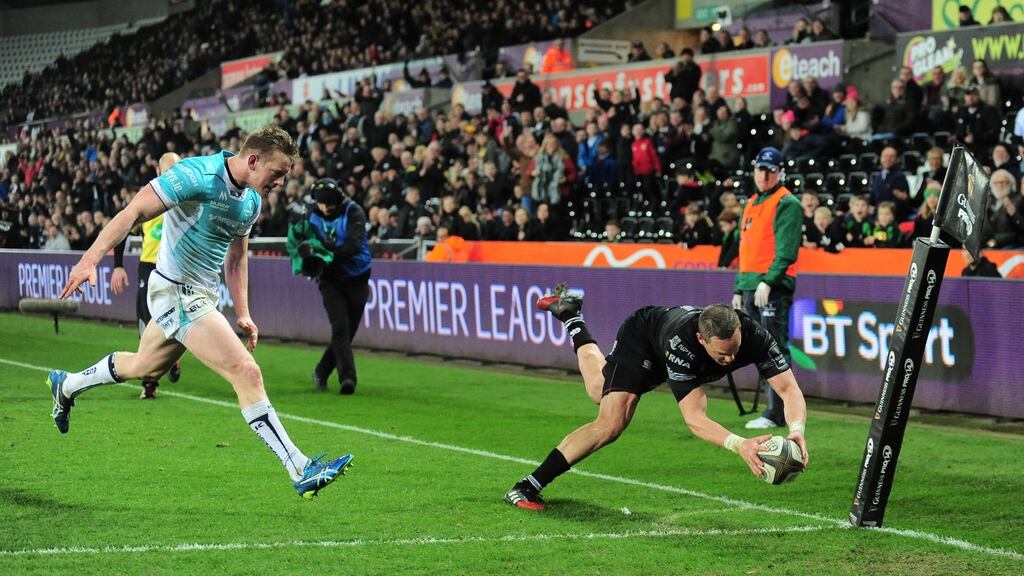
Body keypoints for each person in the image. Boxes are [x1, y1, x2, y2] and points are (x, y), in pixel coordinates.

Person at [48, 125, 354, 499]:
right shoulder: (197, 175)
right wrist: (89, 260)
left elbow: (237, 259)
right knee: (246, 371)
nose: (280, 183)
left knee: (146, 367)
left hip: (201, 294)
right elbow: (134, 212)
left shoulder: (251, 200)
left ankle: (66, 385)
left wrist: (243, 312)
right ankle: (301, 468)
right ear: (253, 160)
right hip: (174, 291)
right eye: (277, 173)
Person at [504, 291, 809, 510]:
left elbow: (788, 389)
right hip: (645, 337)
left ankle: (570, 313)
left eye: (735, 350)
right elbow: (695, 418)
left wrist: (797, 429)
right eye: (722, 354)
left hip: (667, 344)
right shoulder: (684, 344)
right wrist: (739, 444)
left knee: (598, 388)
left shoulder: (755, 336)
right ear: (702, 339)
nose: (730, 360)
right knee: (610, 421)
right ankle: (527, 486)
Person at [733, 147, 801, 430]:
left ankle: (777, 412)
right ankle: (772, 410)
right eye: (760, 169)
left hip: (771, 287)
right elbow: (745, 248)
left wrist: (769, 281)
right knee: (761, 350)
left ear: (780, 173)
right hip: (752, 285)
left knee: (774, 348)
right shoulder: (751, 202)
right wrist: (740, 287)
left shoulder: (787, 202)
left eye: (770, 170)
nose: (764, 175)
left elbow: (786, 251)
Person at [289, 178, 372, 395]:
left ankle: (321, 371)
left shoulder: (354, 212)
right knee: (340, 328)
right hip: (330, 280)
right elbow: (300, 240)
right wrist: (306, 256)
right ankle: (348, 378)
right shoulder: (311, 216)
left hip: (357, 278)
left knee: (346, 334)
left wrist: (326, 253)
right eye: (321, 203)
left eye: (329, 203)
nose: (326, 208)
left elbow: (353, 245)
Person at [111, 152, 183, 400]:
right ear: (159, 172)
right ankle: (150, 383)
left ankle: (171, 357)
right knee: (146, 321)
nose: (172, 176)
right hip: (149, 267)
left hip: (176, 270)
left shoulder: (188, 196)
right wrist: (117, 265)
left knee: (178, 320)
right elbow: (123, 226)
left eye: (176, 170)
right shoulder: (149, 197)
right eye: (168, 171)